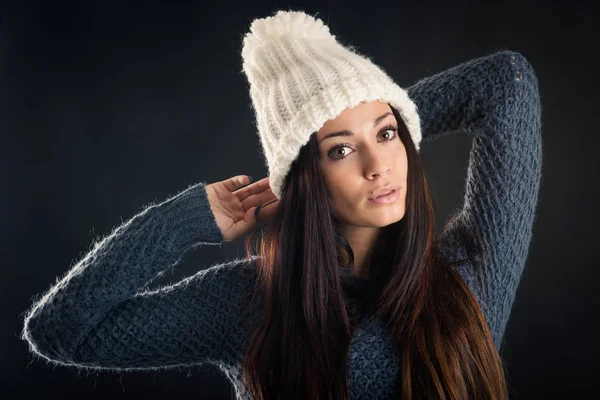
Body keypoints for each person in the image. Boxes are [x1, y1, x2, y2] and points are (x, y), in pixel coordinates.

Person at [20, 10, 542, 400]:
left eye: (387, 135)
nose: (378, 165)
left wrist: (379, 108)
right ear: (306, 179)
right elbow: (61, 331)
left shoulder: (470, 276)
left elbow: (506, 82)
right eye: (340, 149)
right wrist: (190, 220)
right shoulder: (250, 303)